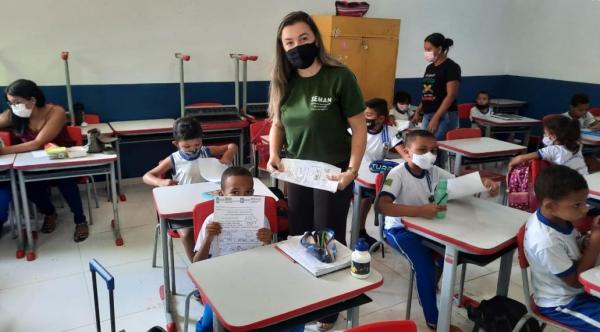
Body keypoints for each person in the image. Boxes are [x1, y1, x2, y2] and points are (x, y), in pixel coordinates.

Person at [266, 11, 367, 330]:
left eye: (303, 38)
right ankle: (302, 293)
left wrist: (352, 170)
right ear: (282, 47)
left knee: (326, 237)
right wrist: (272, 154)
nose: (297, 46)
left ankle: (328, 307)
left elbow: (360, 130)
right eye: (289, 42)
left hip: (333, 172)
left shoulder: (340, 76)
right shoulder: (285, 80)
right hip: (298, 171)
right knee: (298, 232)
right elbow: (277, 125)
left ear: (316, 39)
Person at [376, 129, 498, 330]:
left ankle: (430, 285)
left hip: (429, 227)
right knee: (424, 266)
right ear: (406, 152)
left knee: (451, 256)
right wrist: (419, 210)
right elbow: (383, 206)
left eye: (434, 150)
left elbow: (460, 185)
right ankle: (434, 320)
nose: (430, 155)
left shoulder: (435, 171)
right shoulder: (397, 174)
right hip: (400, 230)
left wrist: (485, 184)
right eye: (422, 150)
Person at [192, 166, 303, 332]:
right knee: (209, 326)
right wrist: (208, 239)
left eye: (248, 192)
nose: (242, 198)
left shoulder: (260, 218)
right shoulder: (211, 221)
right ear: (222, 195)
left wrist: (268, 243)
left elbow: (270, 261)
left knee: (290, 320)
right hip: (221, 283)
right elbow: (196, 264)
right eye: (235, 192)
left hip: (256, 278)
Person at [1, 79, 89, 242]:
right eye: (10, 103)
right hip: (32, 163)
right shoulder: (13, 114)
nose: (13, 106)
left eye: (17, 102)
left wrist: (2, 151)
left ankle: (80, 220)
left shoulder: (56, 112)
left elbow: (37, 142)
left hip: (60, 159)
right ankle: (49, 213)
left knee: (67, 182)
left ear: (32, 100)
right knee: (28, 186)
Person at [143, 116, 237, 262]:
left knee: (226, 225)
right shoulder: (174, 159)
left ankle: (221, 259)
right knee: (187, 234)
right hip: (185, 208)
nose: (193, 149)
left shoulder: (206, 151)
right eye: (187, 146)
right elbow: (147, 176)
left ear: (201, 140)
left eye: (197, 144)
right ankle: (196, 263)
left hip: (209, 204)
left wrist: (226, 157)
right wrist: (161, 182)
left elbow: (232, 146)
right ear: (176, 144)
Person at [524, 165, 600, 331]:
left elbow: (570, 247)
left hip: (578, 291)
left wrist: (584, 242)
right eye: (577, 205)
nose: (585, 209)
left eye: (585, 202)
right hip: (563, 303)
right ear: (550, 206)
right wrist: (594, 242)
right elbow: (575, 282)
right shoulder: (545, 241)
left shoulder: (558, 218)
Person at [359, 97, 406, 247]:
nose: (365, 118)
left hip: (374, 174)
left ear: (381, 119)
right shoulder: (357, 129)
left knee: (369, 198)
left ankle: (383, 231)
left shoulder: (390, 132)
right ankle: (358, 232)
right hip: (356, 172)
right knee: (362, 199)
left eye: (369, 115)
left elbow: (404, 153)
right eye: (364, 114)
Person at [412, 33, 461, 141]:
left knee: (435, 147)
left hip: (444, 115)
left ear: (439, 49)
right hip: (428, 114)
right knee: (423, 144)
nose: (426, 53)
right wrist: (418, 111)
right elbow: (427, 92)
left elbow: (451, 95)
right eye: (425, 49)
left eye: (429, 49)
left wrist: (436, 117)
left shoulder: (451, 67)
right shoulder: (429, 68)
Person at [509, 114, 588, 176]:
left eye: (545, 133)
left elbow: (521, 158)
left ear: (553, 137)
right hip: (584, 181)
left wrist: (511, 164)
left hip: (566, 186)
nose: (544, 136)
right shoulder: (578, 144)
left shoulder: (552, 150)